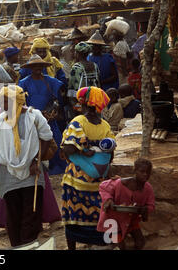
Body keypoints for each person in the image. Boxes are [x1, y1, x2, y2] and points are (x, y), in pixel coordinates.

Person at [0, 85, 60, 247]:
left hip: (31, 171)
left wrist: (37, 162)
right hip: (8, 172)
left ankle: (28, 243)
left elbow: (47, 138)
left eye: (5, 101)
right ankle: (17, 245)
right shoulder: (2, 118)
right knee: (12, 212)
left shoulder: (34, 116)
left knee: (31, 212)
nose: (1, 104)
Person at [60, 86, 116, 250]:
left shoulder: (78, 122)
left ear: (82, 103)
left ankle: (72, 248)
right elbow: (110, 153)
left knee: (73, 217)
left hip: (76, 181)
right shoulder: (104, 125)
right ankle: (101, 243)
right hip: (98, 182)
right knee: (97, 215)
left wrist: (83, 150)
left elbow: (68, 149)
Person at [18, 55, 68, 175]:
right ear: (30, 68)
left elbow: (59, 98)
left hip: (49, 119)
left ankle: (58, 167)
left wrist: (54, 112)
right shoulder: (24, 83)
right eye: (35, 65)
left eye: (40, 65)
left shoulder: (50, 81)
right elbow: (20, 102)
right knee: (33, 143)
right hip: (31, 119)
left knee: (56, 141)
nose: (38, 68)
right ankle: (35, 165)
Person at [97, 158, 155, 250]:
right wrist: (109, 200)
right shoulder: (121, 183)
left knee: (140, 242)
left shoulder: (148, 188)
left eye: (148, 172)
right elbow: (103, 187)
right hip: (112, 220)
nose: (145, 174)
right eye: (142, 171)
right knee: (120, 247)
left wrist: (145, 209)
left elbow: (151, 205)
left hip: (131, 219)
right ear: (135, 171)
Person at [67, 41, 100, 121]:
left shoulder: (77, 67)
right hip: (94, 100)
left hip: (82, 102)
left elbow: (72, 90)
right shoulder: (95, 66)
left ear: (78, 53)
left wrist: (76, 107)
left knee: (81, 122)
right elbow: (98, 83)